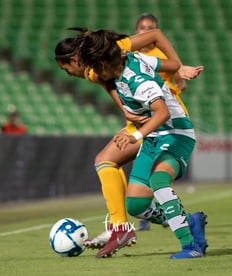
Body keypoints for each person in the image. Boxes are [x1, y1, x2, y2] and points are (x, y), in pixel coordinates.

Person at [54, 28, 206, 258]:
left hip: (172, 131)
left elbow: (162, 112)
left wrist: (134, 135)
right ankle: (186, 220)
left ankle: (190, 245)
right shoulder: (119, 58)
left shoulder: (135, 78)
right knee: (136, 205)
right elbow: (162, 65)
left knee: (159, 180)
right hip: (152, 132)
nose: (89, 75)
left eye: (66, 69)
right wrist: (177, 67)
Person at [132, 13, 201, 231]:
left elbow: (181, 82)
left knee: (158, 170)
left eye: (150, 28)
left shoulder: (161, 54)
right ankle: (144, 207)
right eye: (142, 28)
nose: (146, 31)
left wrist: (168, 89)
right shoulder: (129, 55)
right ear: (136, 30)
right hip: (142, 114)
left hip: (164, 111)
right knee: (129, 159)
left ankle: (159, 212)